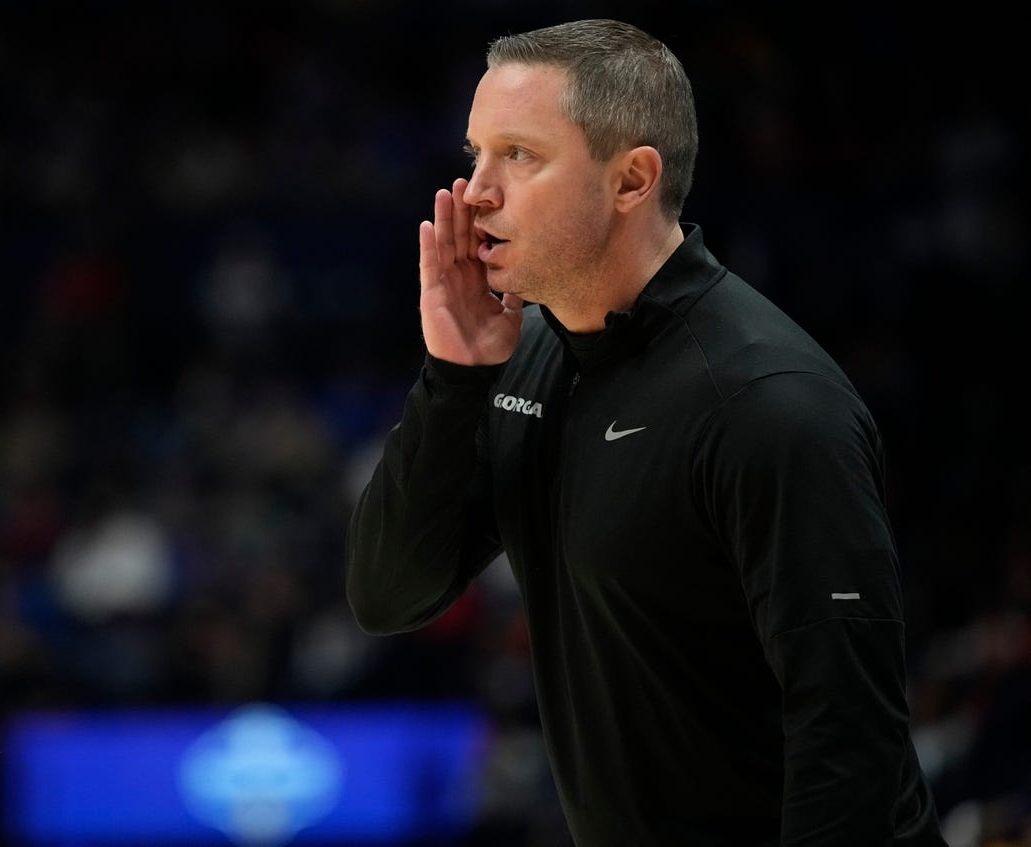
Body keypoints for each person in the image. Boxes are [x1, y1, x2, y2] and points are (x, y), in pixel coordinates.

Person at [345, 18, 949, 846]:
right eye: (475, 153)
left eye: (519, 155)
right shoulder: (525, 364)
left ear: (631, 180)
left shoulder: (769, 402)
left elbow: (849, 748)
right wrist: (453, 376)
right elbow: (388, 595)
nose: (476, 190)